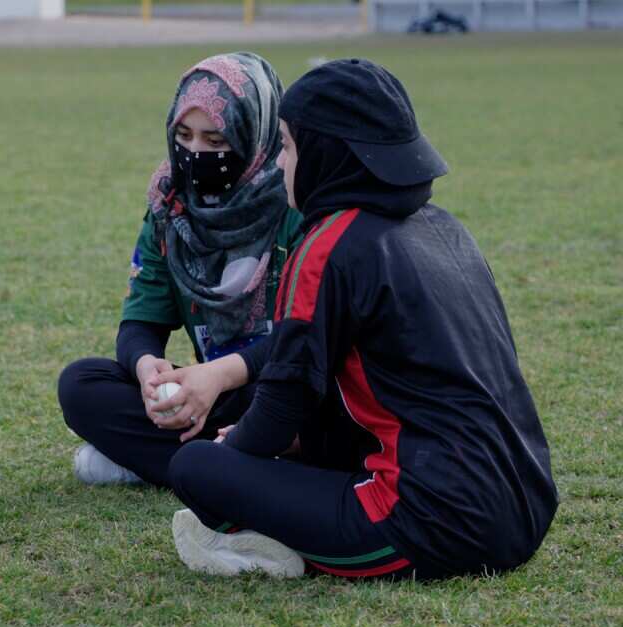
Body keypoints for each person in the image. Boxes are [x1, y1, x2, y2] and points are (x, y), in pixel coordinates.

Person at [164, 59, 557, 580]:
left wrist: (236, 453)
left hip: (432, 523)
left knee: (197, 467)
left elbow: (283, 405)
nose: (280, 165)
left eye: (286, 146)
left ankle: (265, 542)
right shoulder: (444, 228)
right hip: (526, 505)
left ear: (327, 153)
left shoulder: (331, 243)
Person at [58, 53, 303, 488]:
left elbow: (307, 337)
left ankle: (166, 461)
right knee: (81, 384)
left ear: (255, 135)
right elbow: (140, 323)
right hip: (208, 394)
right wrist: (147, 367)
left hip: (279, 385)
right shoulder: (171, 208)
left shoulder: (294, 207)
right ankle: (233, 459)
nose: (195, 153)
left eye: (215, 140)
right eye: (184, 135)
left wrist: (219, 373)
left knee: (312, 403)